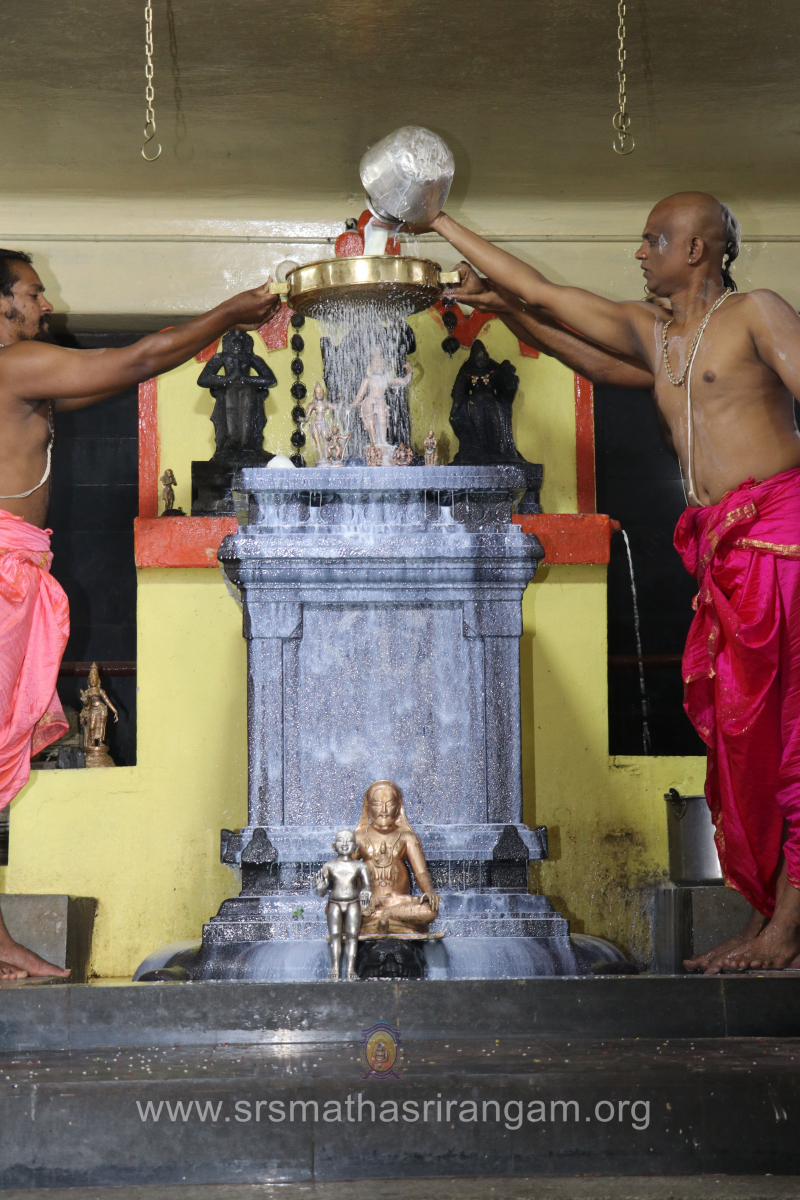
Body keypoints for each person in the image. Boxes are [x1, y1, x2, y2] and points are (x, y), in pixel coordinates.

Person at [421, 193, 800, 973]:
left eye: (653, 239)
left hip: (782, 539)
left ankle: (784, 935)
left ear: (696, 249)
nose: (639, 253)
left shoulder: (755, 313)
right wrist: (503, 308)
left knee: (791, 740)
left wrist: (438, 221)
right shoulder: (660, 337)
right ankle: (772, 922)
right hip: (724, 552)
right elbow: (560, 317)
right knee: (746, 745)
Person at [0, 248, 279, 978]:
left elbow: (127, 371)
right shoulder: (15, 366)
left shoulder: (26, 381)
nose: (46, 306)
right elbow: (139, 358)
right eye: (32, 293)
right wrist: (231, 313)